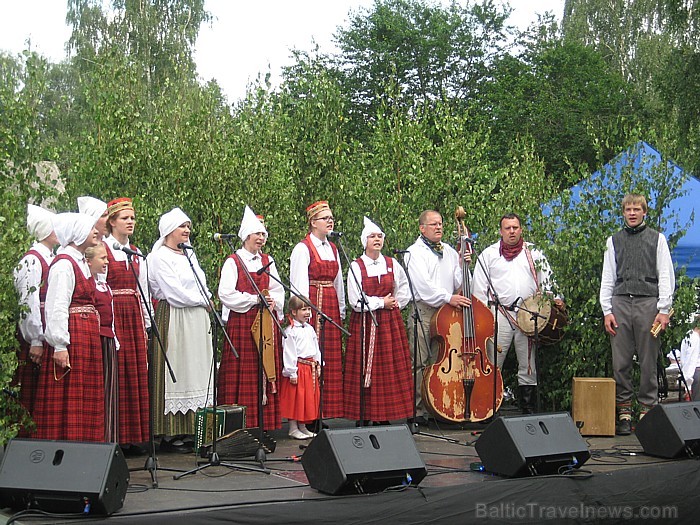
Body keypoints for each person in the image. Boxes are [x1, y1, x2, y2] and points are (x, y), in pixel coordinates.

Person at [472, 213, 562, 414]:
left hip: (528, 316)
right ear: (500, 231)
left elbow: (547, 279)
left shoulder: (534, 252)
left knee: (528, 364)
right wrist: (483, 317)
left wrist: (556, 298)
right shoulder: (489, 255)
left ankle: (527, 408)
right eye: (507, 228)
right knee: (492, 363)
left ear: (521, 229)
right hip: (500, 314)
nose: (512, 231)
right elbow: (478, 289)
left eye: (515, 227)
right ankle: (487, 408)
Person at [600, 193, 675, 435]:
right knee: (620, 362)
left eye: (636, 209)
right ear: (623, 213)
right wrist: (606, 310)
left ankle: (647, 410)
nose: (632, 213)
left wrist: (664, 309)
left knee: (647, 361)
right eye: (628, 209)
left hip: (647, 303)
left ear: (644, 212)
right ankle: (624, 413)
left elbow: (665, 274)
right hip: (620, 302)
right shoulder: (614, 241)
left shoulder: (657, 239)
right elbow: (608, 276)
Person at [33, 212, 105, 442]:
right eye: (89, 228)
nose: (95, 231)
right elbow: (56, 305)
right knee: (70, 395)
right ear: (77, 233)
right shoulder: (64, 264)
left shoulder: (80, 261)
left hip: (85, 338)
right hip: (73, 337)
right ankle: (66, 445)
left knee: (86, 394)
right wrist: (60, 345)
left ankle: (86, 444)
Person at [147, 207, 213, 453]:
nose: (187, 231)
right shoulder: (159, 257)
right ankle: (170, 432)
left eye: (188, 226)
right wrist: (201, 299)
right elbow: (174, 293)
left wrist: (203, 299)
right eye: (182, 227)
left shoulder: (189, 254)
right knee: (178, 368)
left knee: (195, 368)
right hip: (174, 317)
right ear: (168, 230)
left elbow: (202, 283)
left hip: (196, 318)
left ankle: (192, 428)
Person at [217, 206, 283, 430]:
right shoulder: (233, 261)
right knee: (243, 371)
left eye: (263, 234)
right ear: (246, 236)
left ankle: (262, 424)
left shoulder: (268, 260)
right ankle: (239, 424)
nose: (261, 238)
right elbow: (226, 293)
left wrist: (273, 300)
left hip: (265, 322)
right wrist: (254, 300)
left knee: (263, 369)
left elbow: (278, 289)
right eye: (257, 234)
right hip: (244, 324)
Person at [344, 217, 413, 425]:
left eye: (380, 236)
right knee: (365, 368)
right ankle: (364, 415)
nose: (377, 240)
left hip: (389, 324)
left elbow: (404, 290)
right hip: (365, 323)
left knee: (389, 370)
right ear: (364, 241)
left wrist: (393, 304)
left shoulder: (392, 264)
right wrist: (380, 302)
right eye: (372, 236)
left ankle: (387, 415)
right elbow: (355, 300)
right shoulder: (357, 266)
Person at [405, 210, 469, 425]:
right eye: (433, 224)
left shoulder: (449, 252)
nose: (438, 227)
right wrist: (448, 297)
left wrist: (463, 263)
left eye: (440, 224)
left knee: (440, 360)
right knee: (421, 362)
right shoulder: (414, 252)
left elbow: (458, 281)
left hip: (446, 312)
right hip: (424, 310)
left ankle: (439, 407)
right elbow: (424, 287)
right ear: (422, 228)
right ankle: (419, 409)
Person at [289, 201, 345, 421]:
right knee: (309, 360)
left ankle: (325, 412)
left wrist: (340, 309)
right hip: (312, 305)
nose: (330, 221)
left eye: (331, 218)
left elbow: (338, 281)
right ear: (313, 222)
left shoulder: (333, 248)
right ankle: (308, 415)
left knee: (328, 359)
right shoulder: (303, 248)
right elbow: (298, 285)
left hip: (329, 305)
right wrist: (303, 315)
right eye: (325, 218)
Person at [103, 197, 151, 452]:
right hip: (114, 314)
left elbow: (142, 290)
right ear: (112, 222)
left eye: (132, 218)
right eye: (125, 218)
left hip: (132, 314)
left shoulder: (136, 252)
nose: (130, 222)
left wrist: (145, 324)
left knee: (134, 372)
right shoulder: (104, 250)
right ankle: (115, 435)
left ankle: (133, 435)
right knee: (117, 374)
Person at [13, 204, 57, 418]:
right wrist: (36, 340)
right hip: (35, 336)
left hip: (47, 332)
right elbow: (28, 303)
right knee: (30, 391)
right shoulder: (32, 260)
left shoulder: (50, 257)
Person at [85, 243, 119, 442]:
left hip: (107, 339)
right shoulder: (88, 284)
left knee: (109, 391)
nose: (107, 262)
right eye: (102, 258)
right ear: (89, 261)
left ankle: (108, 438)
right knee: (98, 390)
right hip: (95, 339)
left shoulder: (103, 284)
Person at [280, 296, 321, 439]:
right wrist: (292, 372)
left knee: (306, 399)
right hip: (299, 368)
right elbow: (289, 352)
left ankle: (303, 427)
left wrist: (318, 363)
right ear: (293, 312)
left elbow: (315, 347)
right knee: (296, 399)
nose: (307, 312)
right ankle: (293, 427)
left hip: (310, 368)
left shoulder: (309, 329)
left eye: (309, 309)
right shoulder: (291, 331)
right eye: (303, 309)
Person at [679, 316, 700, 401]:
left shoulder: (691, 335)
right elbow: (690, 361)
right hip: (695, 374)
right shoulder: (694, 338)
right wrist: (688, 385)